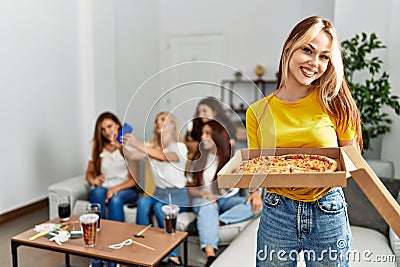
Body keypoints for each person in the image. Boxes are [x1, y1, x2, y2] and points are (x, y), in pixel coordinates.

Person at [246, 16, 363, 266]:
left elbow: (353, 162)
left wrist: (332, 173)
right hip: (277, 211)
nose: (314, 63)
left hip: (327, 209)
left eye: (324, 57)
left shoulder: (336, 103)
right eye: (308, 50)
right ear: (289, 48)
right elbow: (257, 167)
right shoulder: (256, 112)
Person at [187, 120, 259, 267]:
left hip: (229, 200)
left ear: (217, 136)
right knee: (208, 207)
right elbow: (190, 188)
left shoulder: (232, 157)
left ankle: (215, 221)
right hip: (204, 200)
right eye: (202, 133)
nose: (202, 137)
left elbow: (248, 175)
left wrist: (255, 193)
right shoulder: (198, 158)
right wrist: (205, 195)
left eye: (207, 133)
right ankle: (210, 257)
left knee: (257, 206)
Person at [123, 112, 190, 267]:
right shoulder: (152, 148)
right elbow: (131, 156)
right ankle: (142, 250)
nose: (158, 122)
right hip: (158, 192)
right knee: (143, 203)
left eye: (163, 119)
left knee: (161, 208)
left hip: (177, 194)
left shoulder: (180, 147)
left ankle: (173, 258)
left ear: (173, 125)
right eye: (156, 121)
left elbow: (162, 156)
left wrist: (137, 144)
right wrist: (121, 143)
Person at [85, 112, 138, 267]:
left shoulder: (128, 145)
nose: (107, 132)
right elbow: (88, 172)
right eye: (103, 129)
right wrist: (93, 179)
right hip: (106, 187)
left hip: (126, 189)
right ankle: (96, 250)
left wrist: (116, 188)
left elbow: (133, 180)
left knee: (115, 199)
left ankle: (115, 255)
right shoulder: (98, 148)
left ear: (117, 125)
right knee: (97, 191)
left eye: (109, 126)